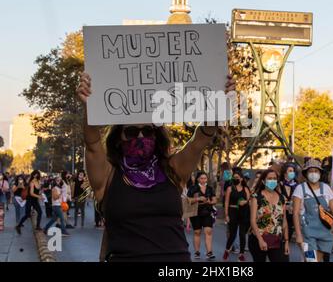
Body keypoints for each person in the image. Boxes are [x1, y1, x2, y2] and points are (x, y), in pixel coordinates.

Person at [77, 71, 235, 262]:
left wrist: (217, 101)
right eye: (132, 132)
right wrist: (90, 108)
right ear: (119, 138)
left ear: (156, 135)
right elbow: (93, 144)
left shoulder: (172, 169)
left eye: (148, 131)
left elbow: (198, 141)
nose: (141, 137)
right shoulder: (108, 176)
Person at [293, 159, 333, 262]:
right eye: (311, 171)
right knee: (311, 260)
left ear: (320, 173)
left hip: (324, 232)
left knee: (318, 259)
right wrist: (298, 235)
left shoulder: (326, 188)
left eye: (316, 171)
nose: (313, 173)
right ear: (306, 173)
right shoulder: (300, 188)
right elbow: (295, 213)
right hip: (307, 232)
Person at [249, 169, 289, 262]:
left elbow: (284, 221)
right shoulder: (256, 197)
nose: (272, 180)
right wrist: (260, 240)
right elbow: (253, 221)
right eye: (270, 178)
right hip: (258, 239)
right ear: (263, 181)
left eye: (274, 178)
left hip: (276, 240)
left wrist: (286, 241)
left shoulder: (282, 198)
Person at [187, 171, 217, 260]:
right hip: (195, 213)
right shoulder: (193, 188)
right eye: (202, 178)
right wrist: (198, 198)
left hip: (207, 212)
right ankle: (197, 252)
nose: (204, 180)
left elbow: (214, 200)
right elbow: (188, 200)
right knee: (197, 232)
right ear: (198, 179)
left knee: (208, 231)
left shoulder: (210, 188)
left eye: (205, 178)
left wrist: (209, 202)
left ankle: (209, 252)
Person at [223, 168, 251, 262]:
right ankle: (227, 250)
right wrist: (226, 215)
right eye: (234, 177)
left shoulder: (246, 189)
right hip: (232, 211)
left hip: (243, 212)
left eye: (237, 177)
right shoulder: (230, 188)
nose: (235, 179)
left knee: (242, 234)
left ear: (242, 179)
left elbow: (249, 200)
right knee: (233, 234)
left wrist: (245, 202)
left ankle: (241, 254)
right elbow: (226, 202)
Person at [279, 163, 298, 240]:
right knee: (281, 232)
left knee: (289, 232)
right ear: (285, 173)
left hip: (291, 212)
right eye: (290, 171)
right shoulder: (280, 184)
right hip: (282, 211)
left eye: (293, 171)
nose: (292, 173)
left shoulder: (296, 185)